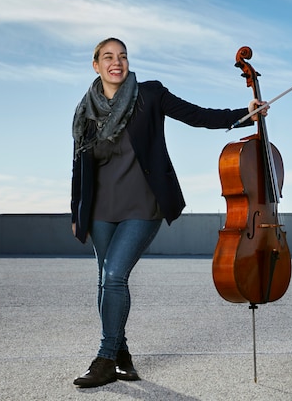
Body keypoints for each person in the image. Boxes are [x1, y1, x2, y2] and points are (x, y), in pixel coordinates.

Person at [70, 37, 266, 388]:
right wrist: (76, 212)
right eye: (109, 57)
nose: (117, 62)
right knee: (105, 281)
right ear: (96, 65)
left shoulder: (150, 95)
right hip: (100, 209)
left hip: (144, 205)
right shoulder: (86, 112)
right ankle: (122, 355)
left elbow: (196, 115)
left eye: (123, 56)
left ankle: (103, 359)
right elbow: (79, 167)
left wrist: (245, 114)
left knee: (114, 275)